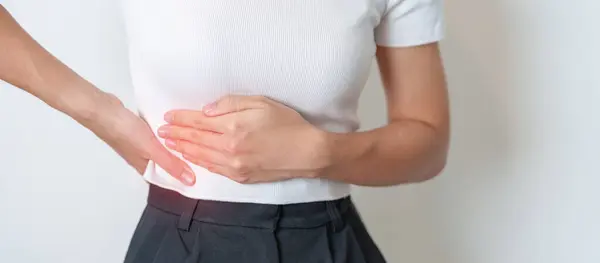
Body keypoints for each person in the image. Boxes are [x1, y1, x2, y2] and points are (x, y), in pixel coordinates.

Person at [0, 0, 449, 262]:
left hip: (328, 240)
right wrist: (103, 115)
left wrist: (318, 151)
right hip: (181, 238)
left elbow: (428, 140)